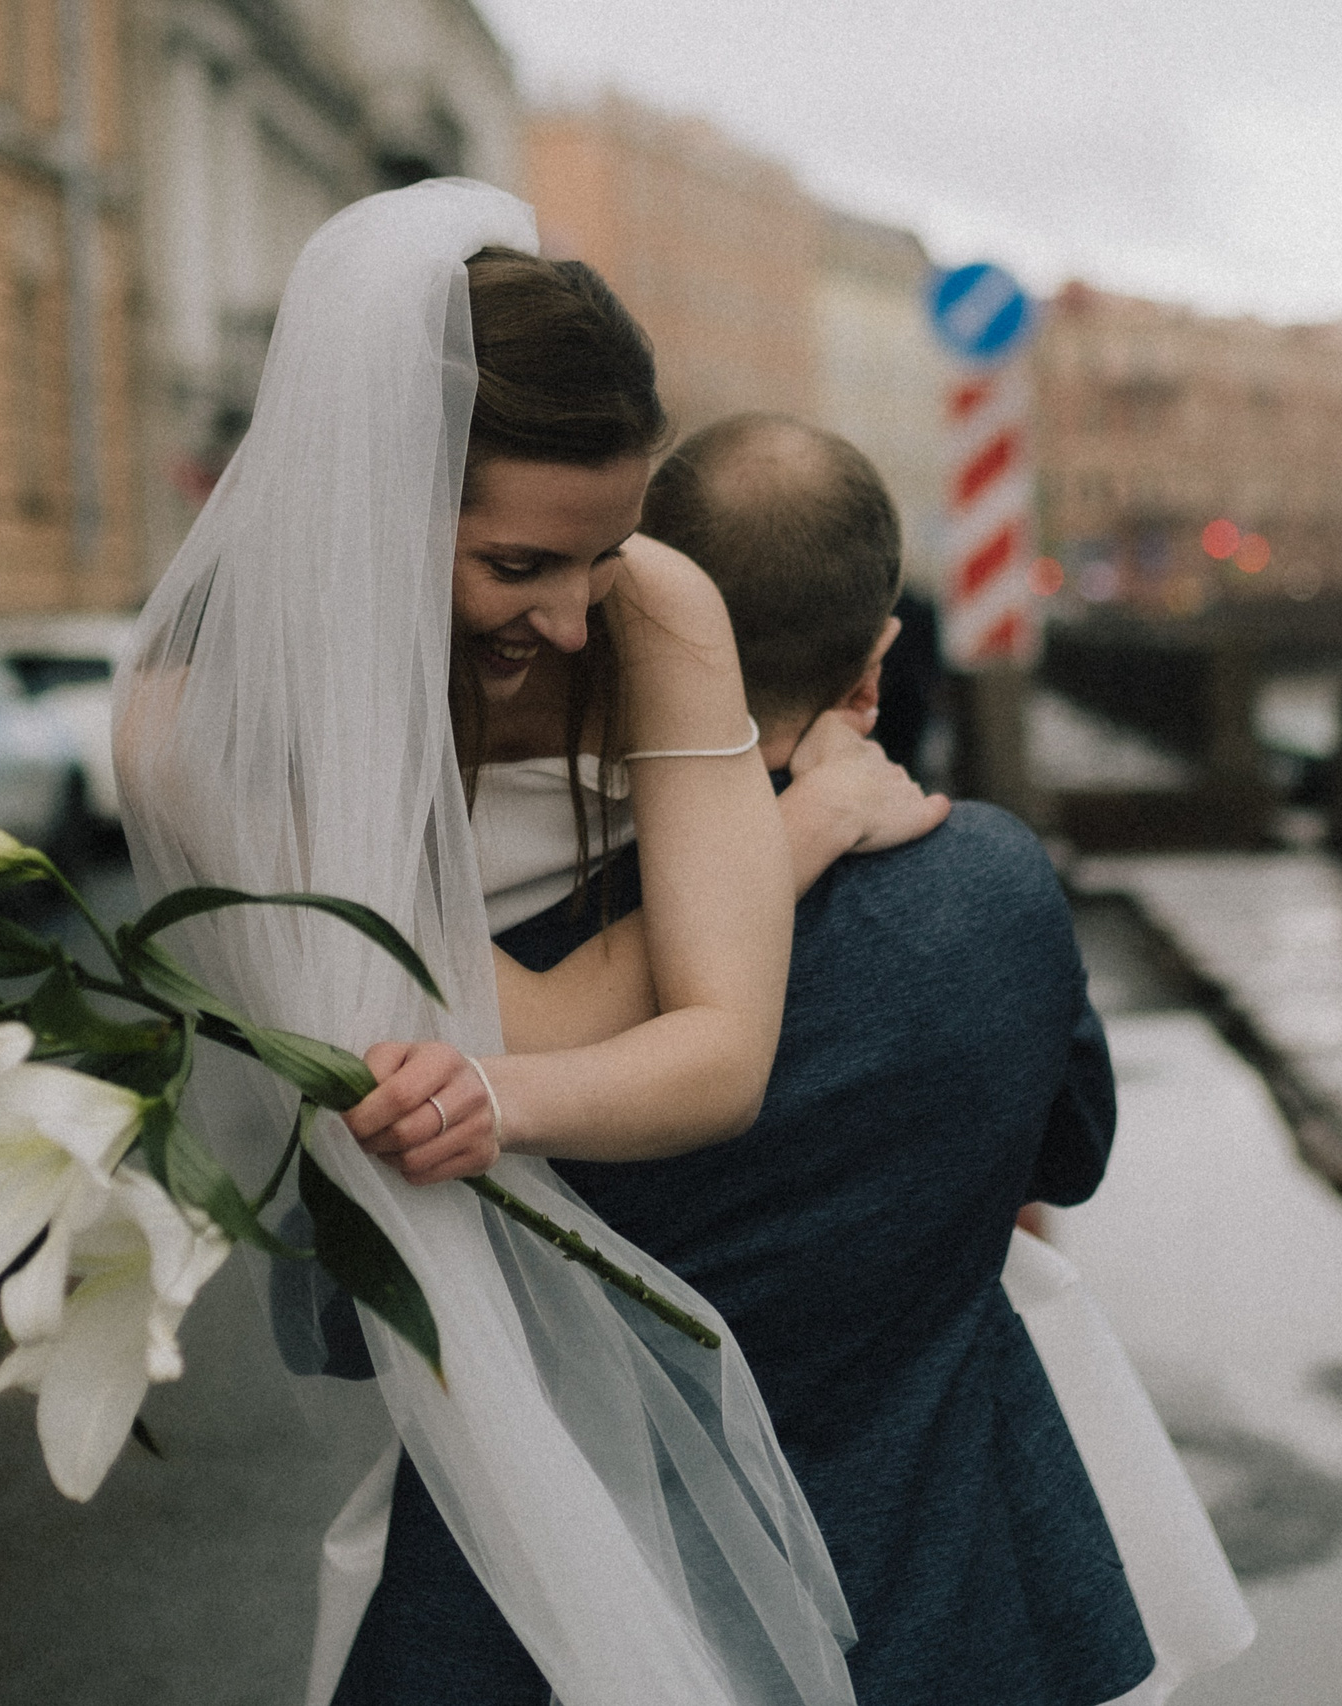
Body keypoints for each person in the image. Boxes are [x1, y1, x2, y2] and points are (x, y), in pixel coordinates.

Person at [113, 182, 932, 1706]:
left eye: (603, 555)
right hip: (419, 1258)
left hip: (684, 1210)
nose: (572, 619)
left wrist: (518, 1080)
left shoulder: (661, 610)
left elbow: (721, 1051)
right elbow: (513, 1019)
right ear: (378, 506)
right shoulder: (196, 730)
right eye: (517, 566)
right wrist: (789, 838)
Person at [326, 412, 1187, 1704]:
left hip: (540, 1641)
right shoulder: (995, 890)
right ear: (874, 671)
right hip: (948, 1624)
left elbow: (358, 1316)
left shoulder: (471, 961)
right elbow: (1068, 1147)